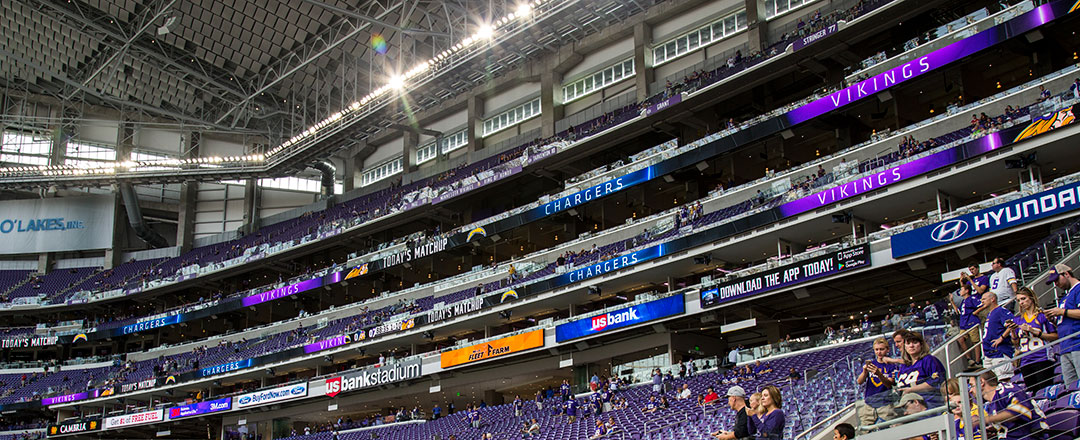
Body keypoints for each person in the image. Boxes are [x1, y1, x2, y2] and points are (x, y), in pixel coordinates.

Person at [1009, 287, 1058, 394]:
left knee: (1044, 392)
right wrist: (1013, 332)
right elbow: (1016, 343)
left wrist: (1035, 332)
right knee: (1032, 394)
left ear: (1031, 298)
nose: (1021, 302)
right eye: (1018, 300)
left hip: (1042, 358)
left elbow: (1055, 336)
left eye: (1023, 299)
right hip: (1026, 360)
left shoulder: (1042, 316)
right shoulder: (1018, 320)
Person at [978, 370, 1049, 439]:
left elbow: (1020, 411)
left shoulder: (1008, 390)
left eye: (971, 385)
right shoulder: (991, 403)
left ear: (981, 382)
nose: (970, 390)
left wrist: (986, 419)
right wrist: (995, 429)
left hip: (1033, 436)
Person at [1045, 263, 1080, 385]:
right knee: (1071, 388)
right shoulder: (1065, 296)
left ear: (1066, 274)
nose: (1056, 284)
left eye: (1057, 280)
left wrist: (1062, 311)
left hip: (1077, 343)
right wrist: (1053, 320)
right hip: (1066, 346)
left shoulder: (1078, 289)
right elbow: (1064, 320)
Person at [895, 332, 947, 409]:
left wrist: (911, 390)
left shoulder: (929, 360)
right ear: (904, 346)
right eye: (908, 343)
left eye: (915, 342)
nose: (911, 346)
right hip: (908, 407)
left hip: (929, 405)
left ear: (921, 344)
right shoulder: (904, 366)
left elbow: (936, 382)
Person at [856, 338, 900, 426]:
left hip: (885, 403)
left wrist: (879, 374)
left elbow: (889, 384)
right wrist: (865, 371)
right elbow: (859, 381)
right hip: (869, 403)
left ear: (887, 350)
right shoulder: (872, 364)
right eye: (876, 349)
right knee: (865, 429)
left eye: (881, 349)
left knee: (892, 426)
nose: (879, 352)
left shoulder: (892, 366)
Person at [980, 291, 1016, 381]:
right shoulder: (990, 313)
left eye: (984, 299)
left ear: (992, 299)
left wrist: (1001, 338)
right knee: (991, 383)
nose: (982, 301)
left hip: (1000, 353)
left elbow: (1012, 323)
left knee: (1003, 380)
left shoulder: (1001, 311)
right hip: (989, 354)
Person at [949, 283, 983, 366]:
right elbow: (958, 311)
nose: (960, 291)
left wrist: (976, 312)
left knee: (975, 342)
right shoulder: (963, 301)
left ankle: (978, 361)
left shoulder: (972, 299)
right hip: (964, 325)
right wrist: (952, 301)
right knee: (960, 339)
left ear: (967, 291)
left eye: (961, 289)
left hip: (972, 323)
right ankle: (969, 358)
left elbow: (982, 304)